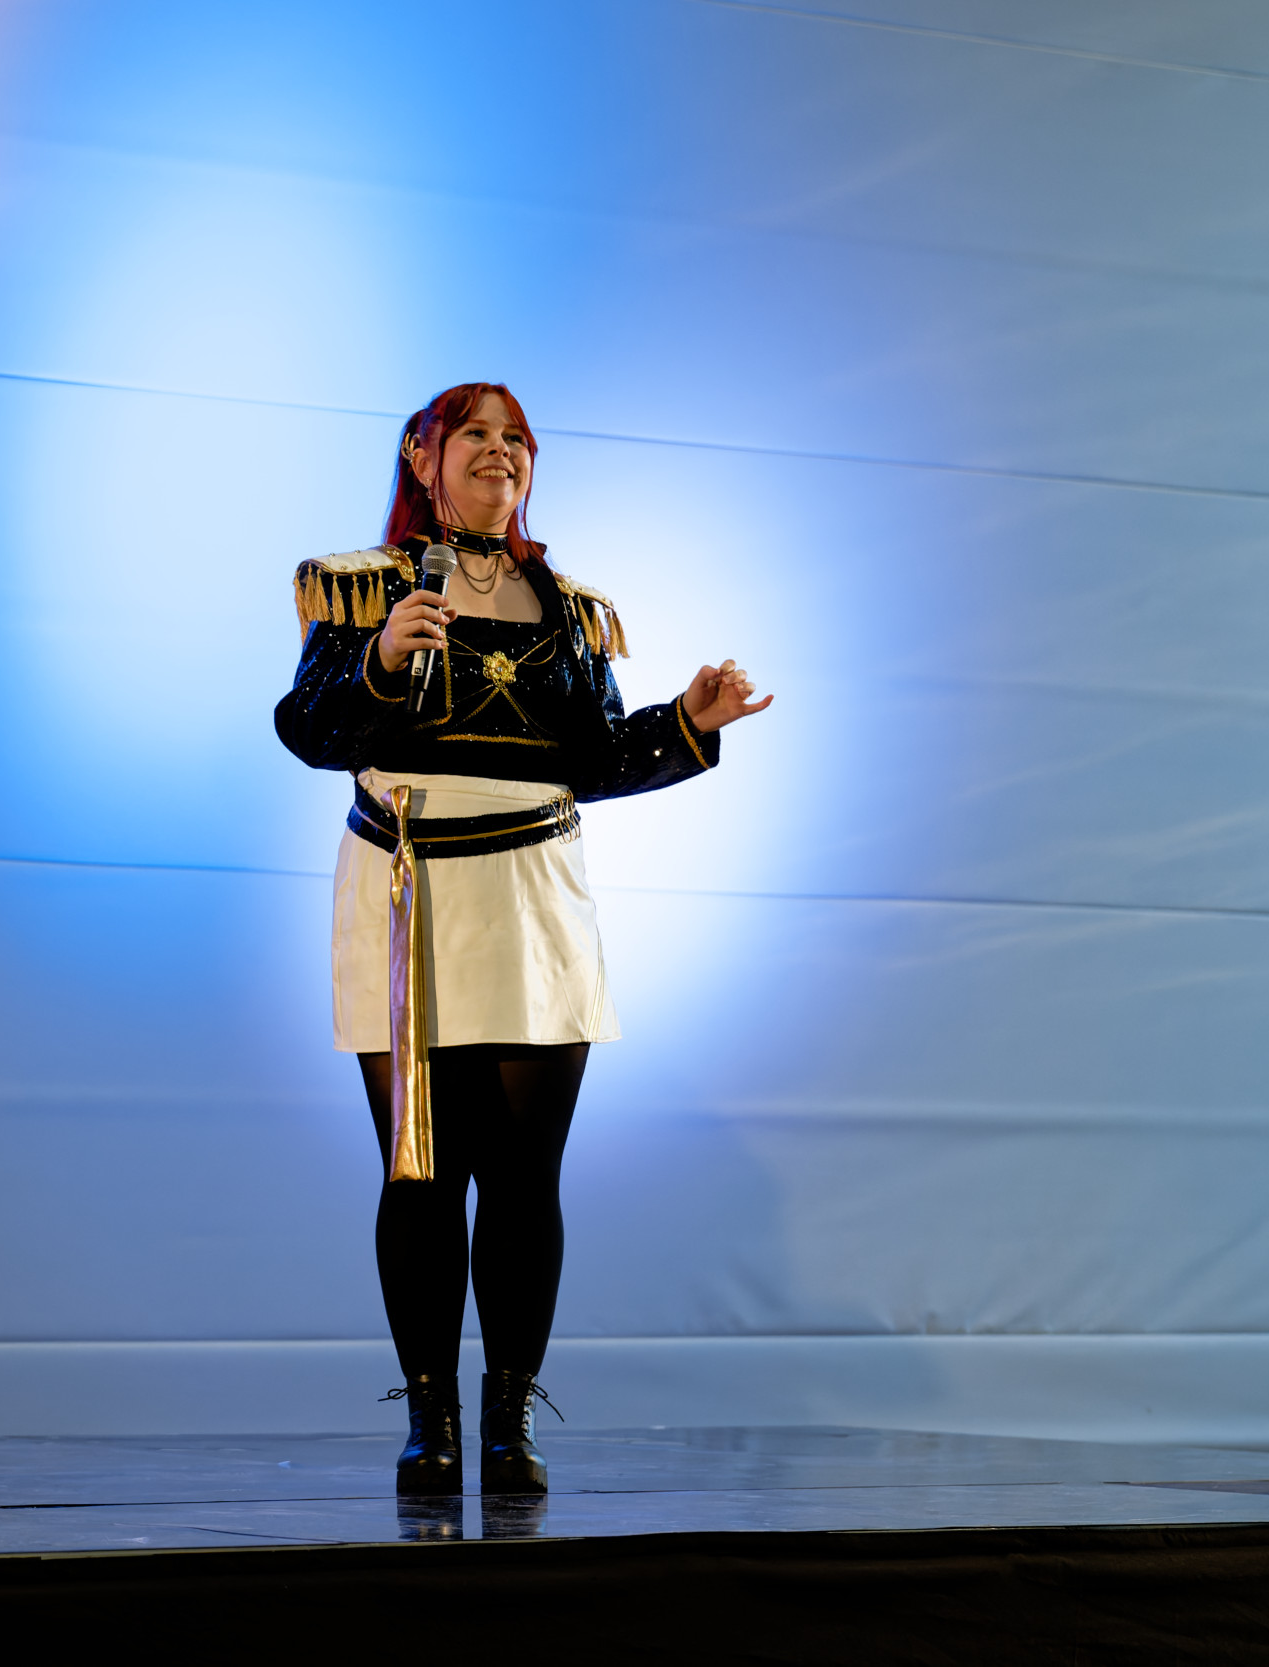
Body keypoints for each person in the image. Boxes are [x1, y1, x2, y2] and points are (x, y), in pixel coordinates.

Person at [274, 384, 770, 1497]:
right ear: (424, 454)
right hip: (406, 890)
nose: (499, 453)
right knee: (419, 1170)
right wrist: (381, 661)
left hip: (532, 893)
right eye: (476, 435)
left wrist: (689, 721)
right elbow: (309, 731)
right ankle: (430, 1420)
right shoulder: (358, 589)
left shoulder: (566, 606)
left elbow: (592, 760)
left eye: (517, 440)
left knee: (523, 1172)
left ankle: (508, 1418)